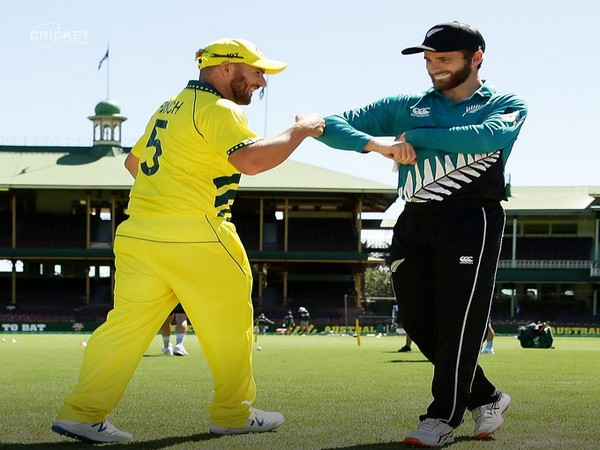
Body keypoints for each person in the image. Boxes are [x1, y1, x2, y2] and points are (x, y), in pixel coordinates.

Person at [51, 38, 324, 444]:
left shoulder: (169, 106)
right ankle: (233, 414)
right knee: (231, 328)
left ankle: (82, 414)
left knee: (123, 329)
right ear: (227, 69)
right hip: (200, 233)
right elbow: (250, 161)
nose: (262, 81)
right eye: (256, 70)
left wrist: (170, 193)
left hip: (140, 232)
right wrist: (300, 130)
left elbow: (133, 162)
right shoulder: (219, 108)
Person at [317, 22, 527, 447]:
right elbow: (330, 125)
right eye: (429, 60)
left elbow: (491, 135)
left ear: (476, 58)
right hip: (413, 218)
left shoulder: (504, 102)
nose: (434, 68)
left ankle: (442, 419)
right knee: (415, 319)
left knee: (458, 321)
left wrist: (412, 138)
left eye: (444, 60)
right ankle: (487, 396)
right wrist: (377, 146)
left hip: (472, 219)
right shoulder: (406, 104)